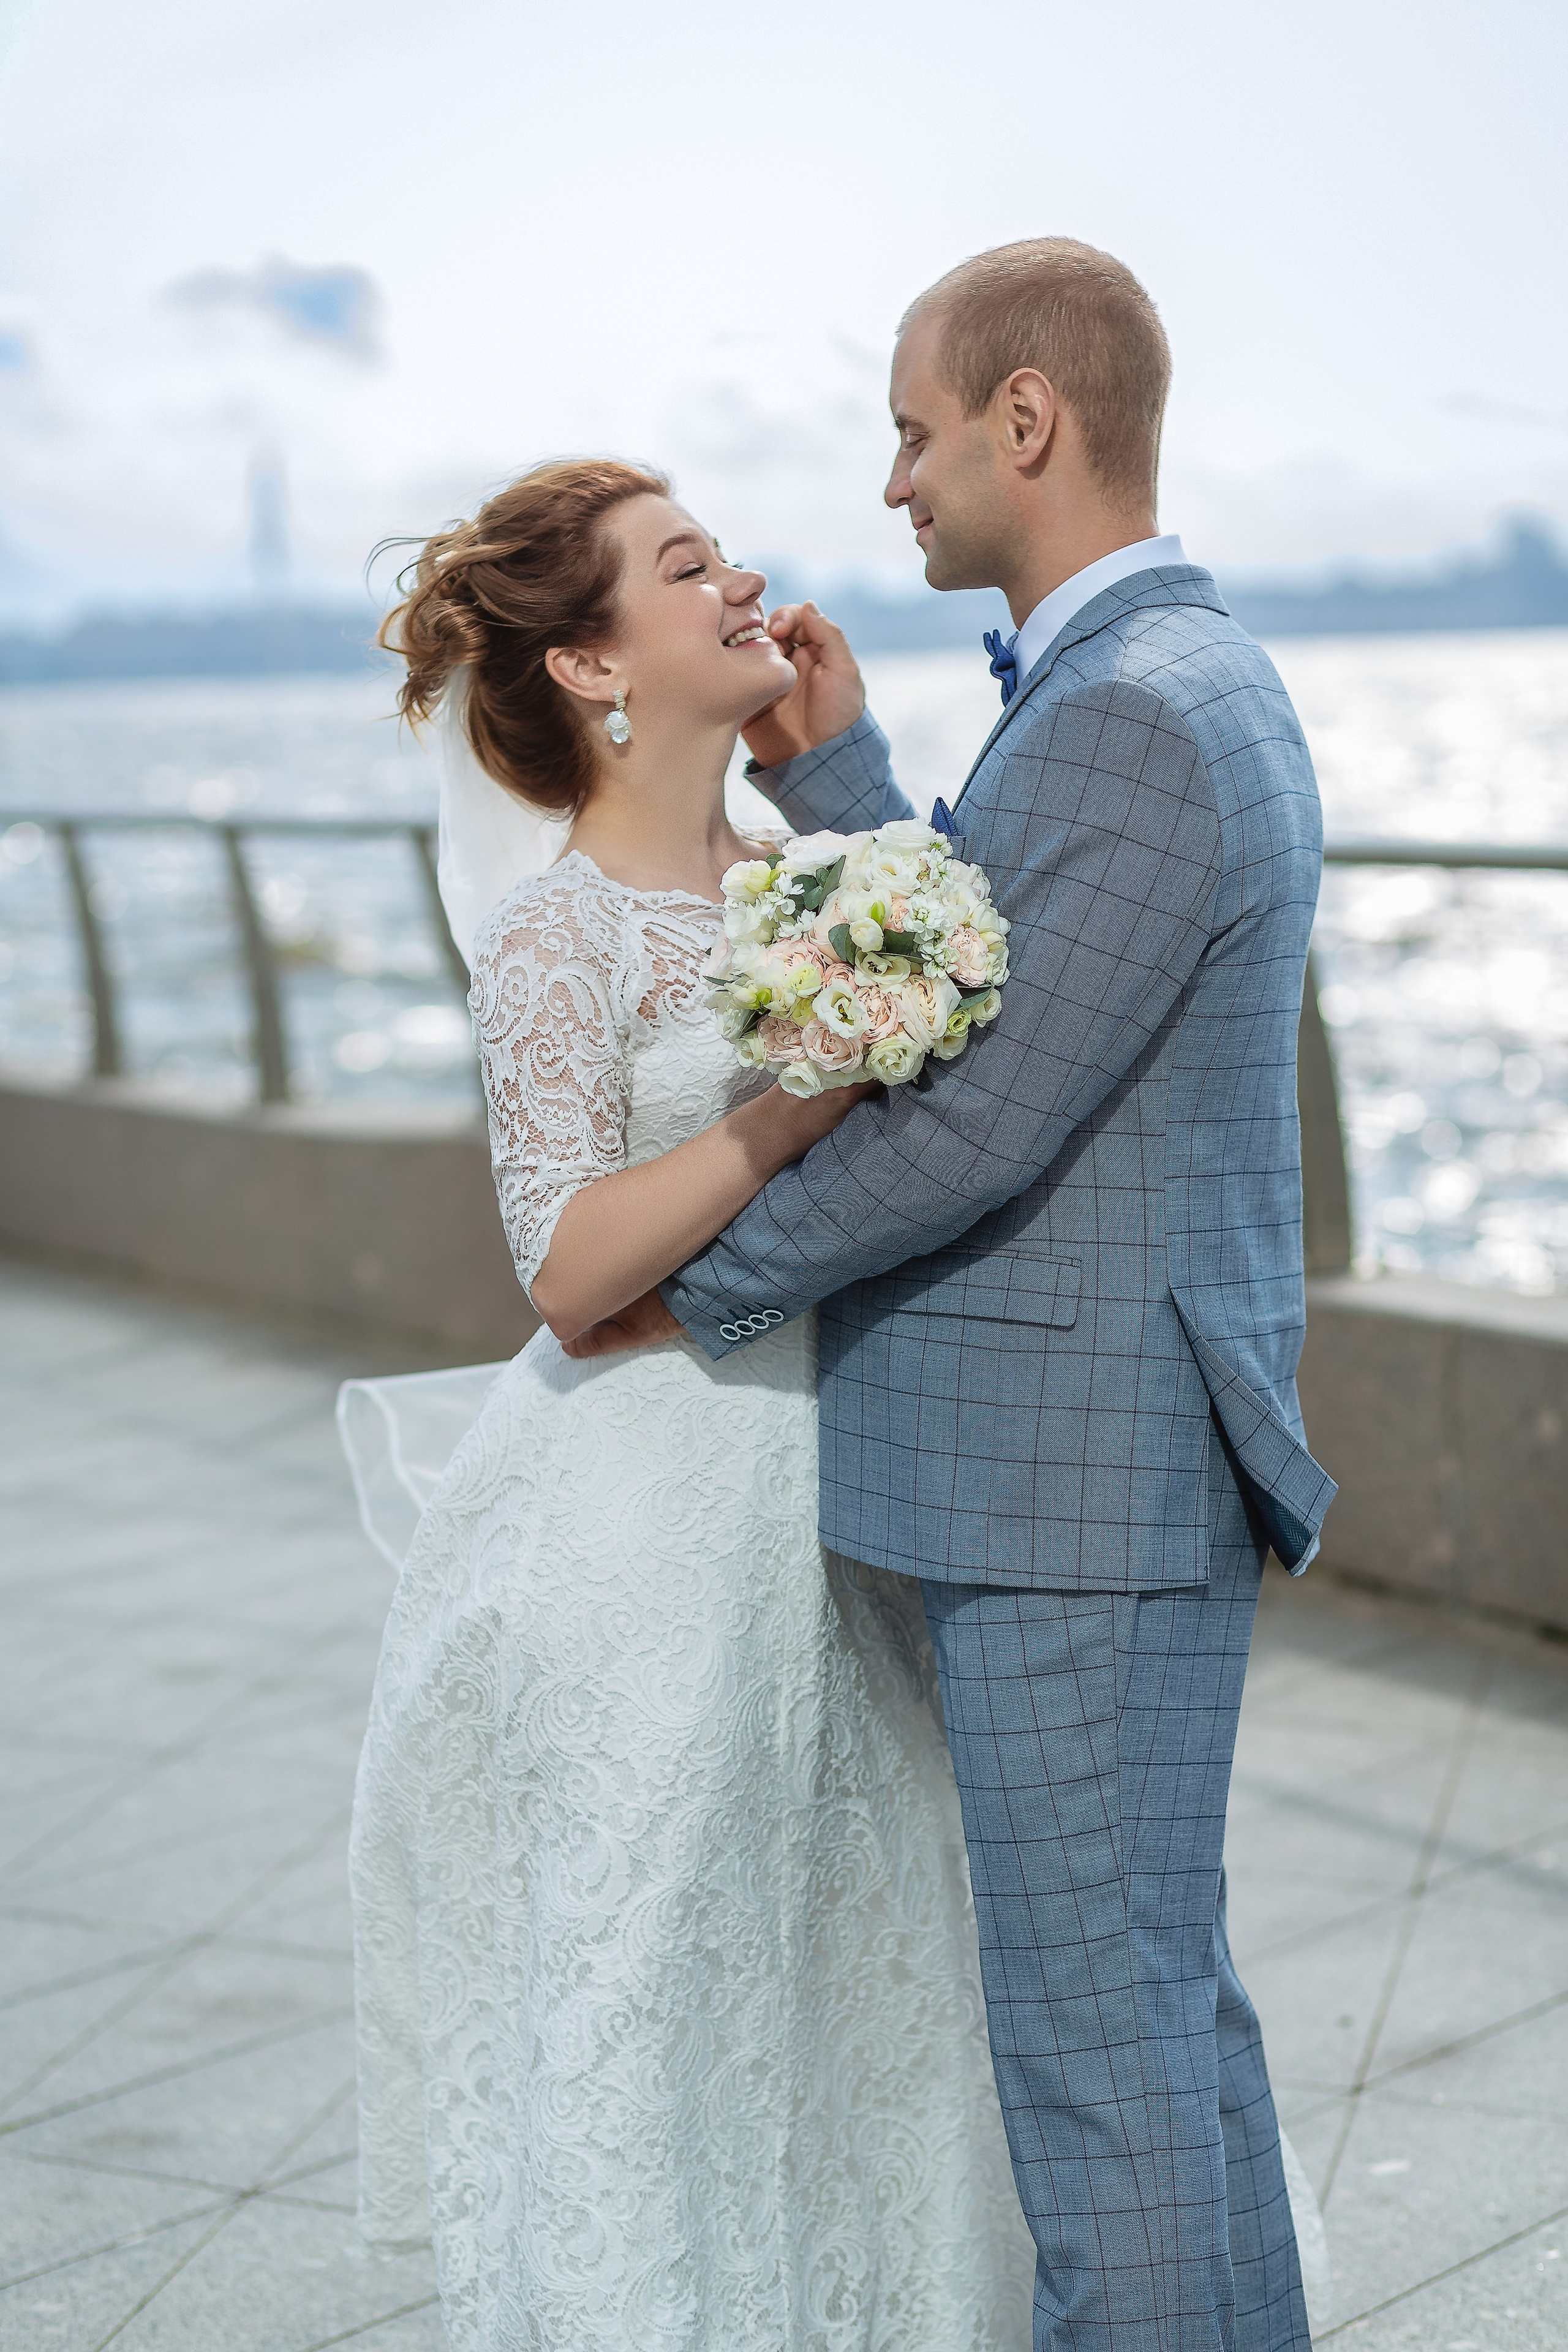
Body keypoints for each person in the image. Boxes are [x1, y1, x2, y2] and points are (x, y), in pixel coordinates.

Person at [579, 239, 1337, 2350]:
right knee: (1163, 2042)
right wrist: (844, 791)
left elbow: (972, 1125)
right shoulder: (1156, 693)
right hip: (1080, 1483)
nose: (894, 480)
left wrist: (686, 1284)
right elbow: (989, 988)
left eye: (916, 431)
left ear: (1029, 419)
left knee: (1103, 2095)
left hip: (1071, 1503)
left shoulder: (1133, 717)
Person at [345, 456, 1038, 2351]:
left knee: (869, 1978)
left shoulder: (820, 889)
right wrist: (794, 1099)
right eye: (682, 566)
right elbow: (564, 1269)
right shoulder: (560, 935)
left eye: (721, 548)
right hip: (647, 1525)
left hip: (847, 1497)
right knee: (667, 1969)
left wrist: (854, 778)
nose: (739, 577)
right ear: (588, 662)